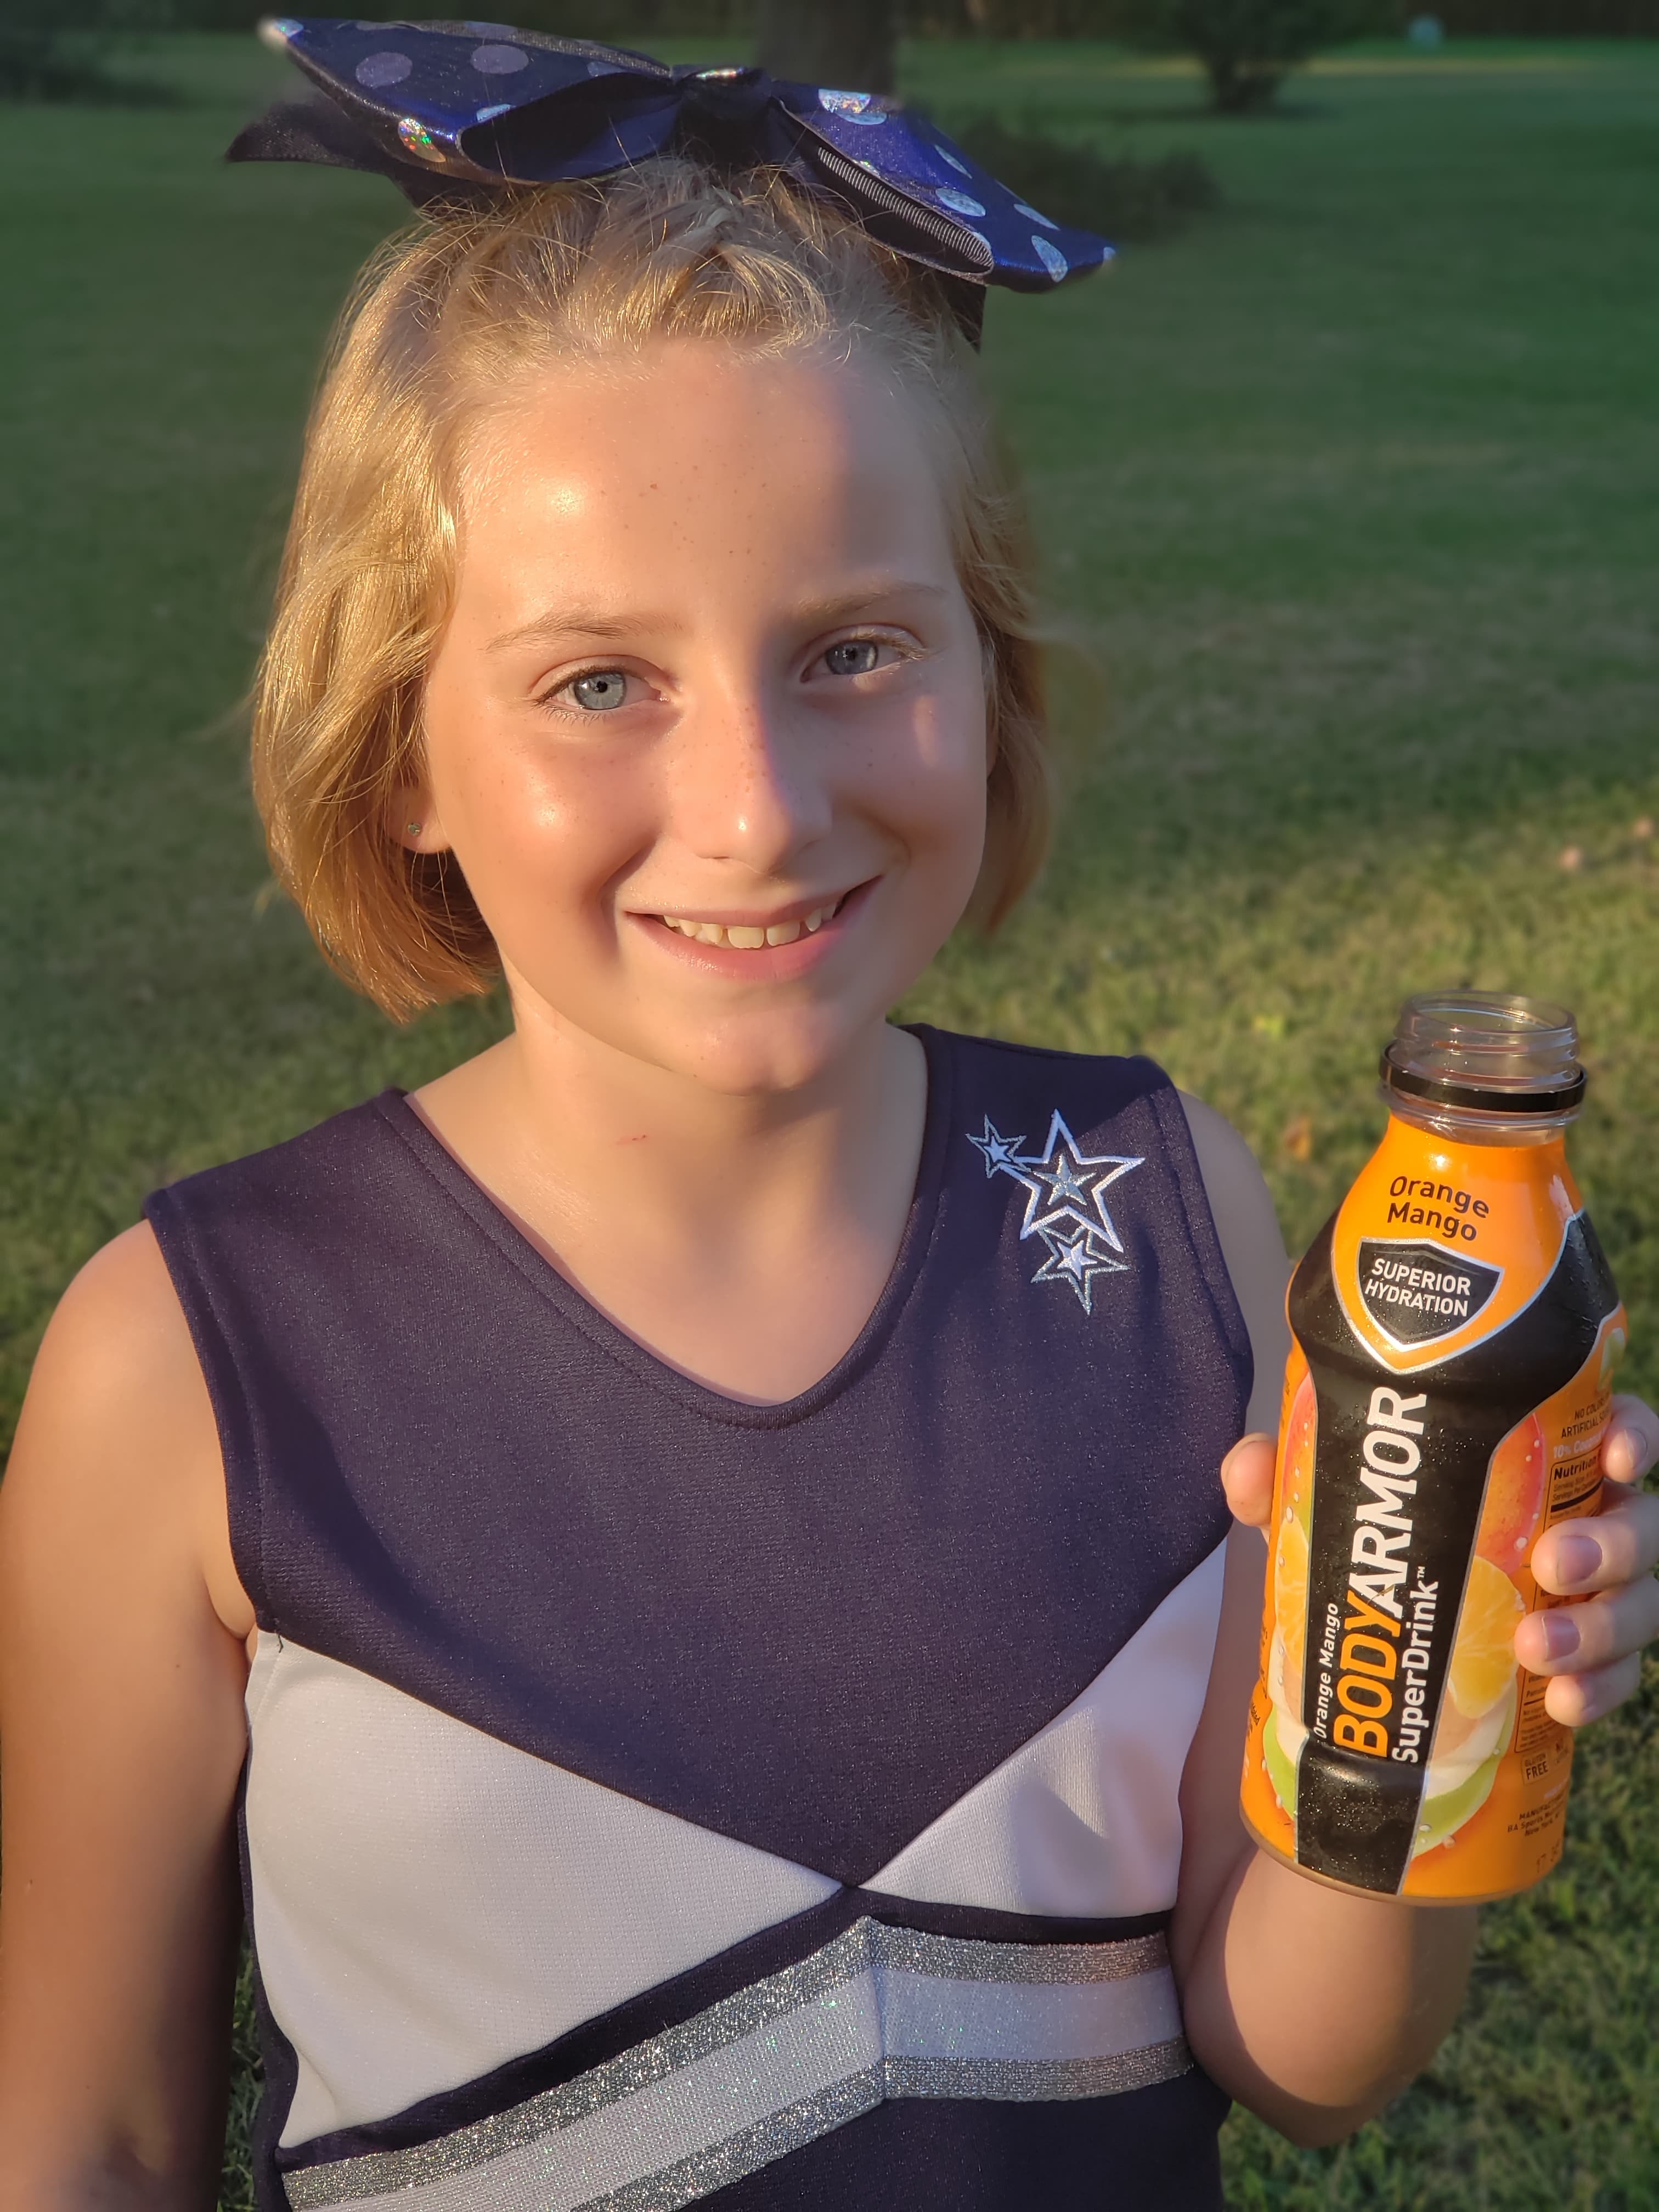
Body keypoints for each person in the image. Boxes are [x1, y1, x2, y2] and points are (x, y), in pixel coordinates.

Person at [2, 22, 1656, 2212]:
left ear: (988, 669)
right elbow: (85, 2131)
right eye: (601, 681)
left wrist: (1441, 1730)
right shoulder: (190, 1367)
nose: (759, 810)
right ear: (396, 745)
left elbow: (1310, 2058)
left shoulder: (1177, 1228)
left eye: (856, 650)